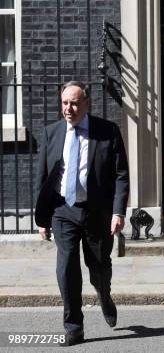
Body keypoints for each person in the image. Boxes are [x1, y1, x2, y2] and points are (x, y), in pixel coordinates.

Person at [35, 81, 129, 346]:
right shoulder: (51, 132)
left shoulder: (107, 131)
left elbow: (121, 174)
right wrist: (41, 218)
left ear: (86, 103)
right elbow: (43, 178)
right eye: (65, 103)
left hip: (97, 211)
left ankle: (104, 295)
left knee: (98, 268)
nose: (69, 108)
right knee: (66, 268)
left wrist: (118, 212)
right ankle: (74, 327)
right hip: (63, 209)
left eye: (74, 103)